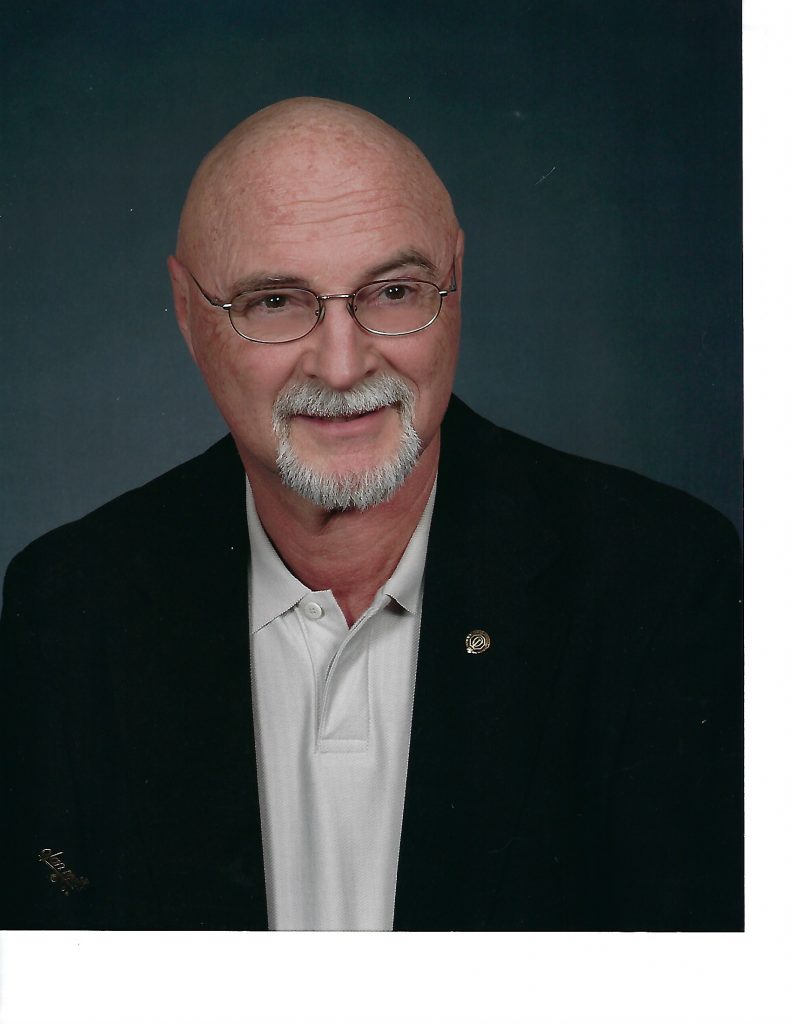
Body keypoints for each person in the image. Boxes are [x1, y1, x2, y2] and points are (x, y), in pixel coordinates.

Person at [0, 97, 742, 932]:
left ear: (456, 281)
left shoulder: (659, 583)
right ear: (185, 311)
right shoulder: (69, 604)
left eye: (392, 291)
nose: (343, 365)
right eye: (274, 301)